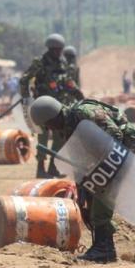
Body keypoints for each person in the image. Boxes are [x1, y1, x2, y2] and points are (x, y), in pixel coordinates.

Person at [30, 95, 135, 263]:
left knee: (102, 193)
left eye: (48, 125)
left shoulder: (83, 114)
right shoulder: (67, 128)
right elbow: (78, 160)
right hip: (103, 153)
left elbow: (115, 135)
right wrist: (82, 188)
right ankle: (103, 246)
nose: (50, 130)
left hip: (125, 144)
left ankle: (104, 249)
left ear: (54, 117)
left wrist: (102, 167)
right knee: (90, 199)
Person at [19, 33, 83, 179]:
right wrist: (26, 98)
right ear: (50, 49)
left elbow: (67, 81)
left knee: (59, 138)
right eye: (56, 49)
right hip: (42, 108)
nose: (58, 52)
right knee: (42, 138)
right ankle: (40, 168)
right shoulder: (40, 62)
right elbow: (24, 80)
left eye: (60, 49)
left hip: (58, 108)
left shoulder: (63, 63)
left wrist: (78, 93)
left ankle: (53, 168)